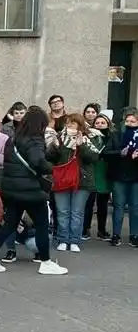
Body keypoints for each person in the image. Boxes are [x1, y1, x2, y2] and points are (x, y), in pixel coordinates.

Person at [0, 105, 68, 275]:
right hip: (31, 190)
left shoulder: (14, 138)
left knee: (10, 224)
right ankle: (46, 262)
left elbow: (27, 158)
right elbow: (37, 161)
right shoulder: (35, 138)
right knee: (42, 225)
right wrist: (51, 168)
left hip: (13, 188)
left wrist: (52, 153)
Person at [50, 113, 103, 252]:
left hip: (82, 181)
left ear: (80, 125)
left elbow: (93, 158)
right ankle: (63, 239)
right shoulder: (60, 137)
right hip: (62, 179)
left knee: (77, 212)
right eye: (67, 123)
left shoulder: (90, 138)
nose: (69, 126)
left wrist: (82, 146)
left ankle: (74, 240)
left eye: (73, 123)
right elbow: (50, 157)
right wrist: (55, 146)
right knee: (62, 211)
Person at [107, 107, 138, 247]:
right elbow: (107, 152)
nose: (129, 123)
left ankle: (134, 235)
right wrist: (120, 153)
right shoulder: (117, 135)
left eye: (133, 121)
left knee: (135, 207)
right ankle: (116, 234)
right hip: (119, 174)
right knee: (118, 206)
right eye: (127, 121)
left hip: (136, 176)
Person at [85, 114, 113, 240]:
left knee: (102, 204)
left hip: (105, 171)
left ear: (108, 124)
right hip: (92, 170)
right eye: (97, 123)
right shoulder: (89, 136)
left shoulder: (112, 137)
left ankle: (101, 230)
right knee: (88, 203)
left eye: (103, 122)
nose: (100, 125)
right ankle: (85, 229)